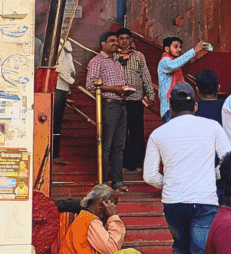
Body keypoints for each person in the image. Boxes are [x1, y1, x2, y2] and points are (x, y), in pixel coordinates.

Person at [143, 82, 231, 254]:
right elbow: (229, 162)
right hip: (204, 200)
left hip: (173, 201)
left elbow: (149, 176)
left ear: (170, 107)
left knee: (180, 247)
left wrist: (169, 182)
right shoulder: (212, 127)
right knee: (201, 250)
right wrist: (212, 175)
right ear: (196, 106)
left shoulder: (158, 133)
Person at [86, 32, 133, 191]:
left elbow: (119, 83)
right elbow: (91, 85)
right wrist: (114, 89)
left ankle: (118, 181)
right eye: (111, 41)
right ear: (103, 44)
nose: (115, 43)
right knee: (106, 144)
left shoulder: (116, 62)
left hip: (121, 104)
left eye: (116, 41)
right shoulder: (96, 61)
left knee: (119, 145)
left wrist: (126, 89)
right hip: (108, 106)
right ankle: (103, 181)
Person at [115, 27, 155, 172]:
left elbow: (146, 75)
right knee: (121, 133)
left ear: (131, 40)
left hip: (136, 99)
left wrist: (151, 94)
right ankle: (125, 164)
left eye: (127, 38)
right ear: (117, 41)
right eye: (121, 38)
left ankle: (138, 164)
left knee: (137, 132)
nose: (124, 41)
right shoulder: (112, 56)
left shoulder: (138, 56)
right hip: (118, 100)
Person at [59, 184, 125, 254]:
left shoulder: (85, 216)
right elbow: (112, 248)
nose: (114, 208)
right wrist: (113, 216)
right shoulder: (90, 221)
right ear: (101, 202)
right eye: (113, 203)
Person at [158, 36, 205, 122]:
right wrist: (193, 51)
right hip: (168, 109)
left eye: (180, 47)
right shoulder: (164, 61)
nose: (179, 49)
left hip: (178, 107)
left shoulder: (176, 64)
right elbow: (174, 65)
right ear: (167, 49)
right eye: (175, 47)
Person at [53, 39, 76, 165]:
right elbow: (59, 68)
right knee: (55, 121)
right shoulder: (57, 43)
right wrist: (72, 81)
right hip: (57, 86)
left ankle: (55, 153)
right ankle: (53, 153)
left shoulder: (67, 43)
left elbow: (69, 64)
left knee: (58, 121)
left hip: (63, 87)